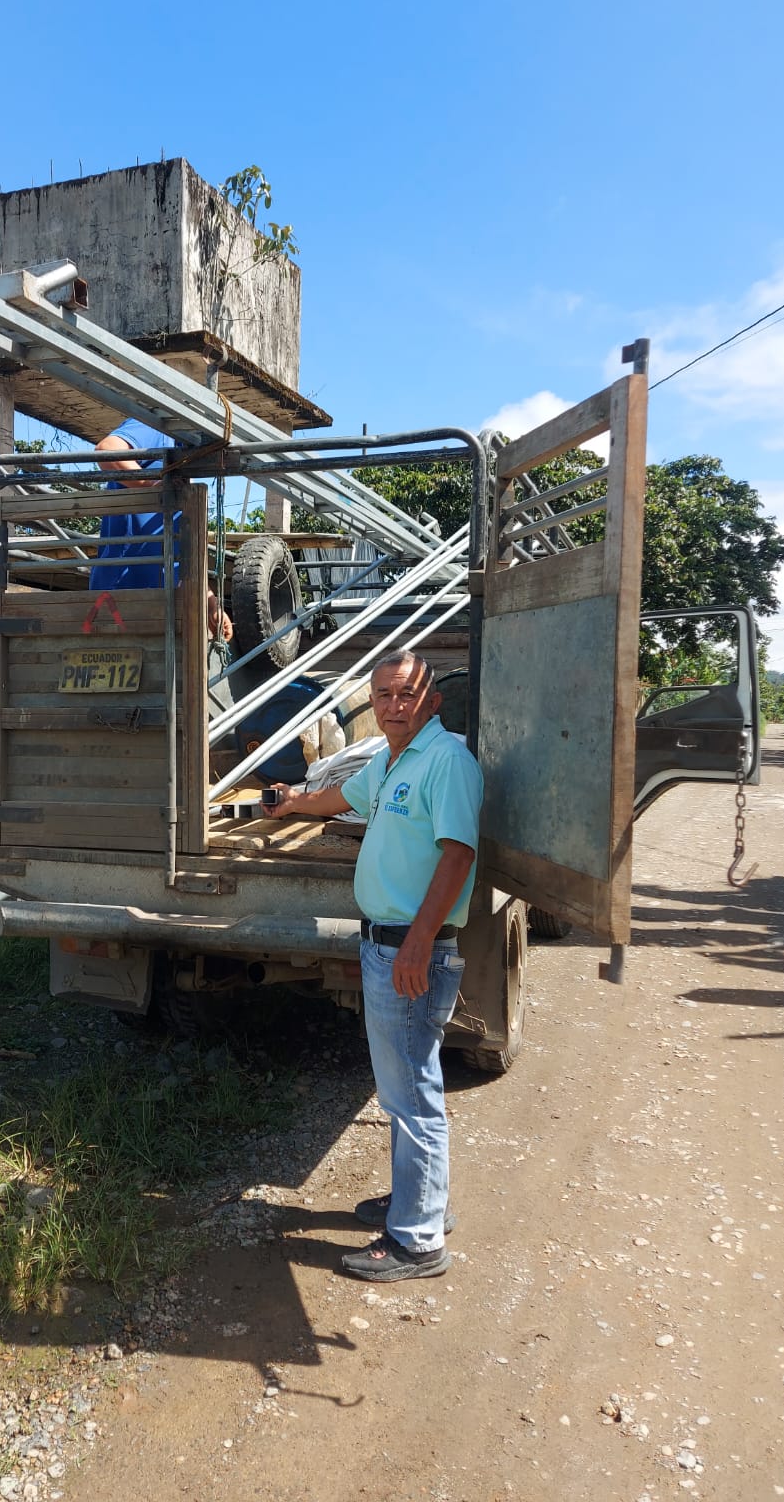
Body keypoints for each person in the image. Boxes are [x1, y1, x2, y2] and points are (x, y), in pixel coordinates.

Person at [264, 649, 482, 1282]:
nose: (393, 705)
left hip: (411, 948)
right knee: (401, 1090)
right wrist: (293, 803)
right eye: (383, 694)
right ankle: (419, 1202)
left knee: (413, 1094)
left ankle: (417, 1242)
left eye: (406, 694)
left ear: (432, 701)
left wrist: (419, 940)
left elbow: (458, 855)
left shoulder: (446, 761)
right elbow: (339, 796)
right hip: (387, 943)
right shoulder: (391, 761)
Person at [89, 420, 233, 640]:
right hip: (122, 593)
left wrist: (211, 603)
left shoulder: (182, 463)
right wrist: (151, 485)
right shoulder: (159, 429)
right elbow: (107, 451)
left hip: (159, 602)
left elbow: (182, 556)